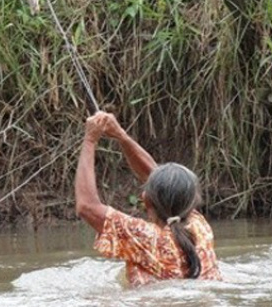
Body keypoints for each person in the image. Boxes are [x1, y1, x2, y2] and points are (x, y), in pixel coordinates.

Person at [75, 111, 222, 286]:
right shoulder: (199, 227)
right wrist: (121, 135)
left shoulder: (145, 238)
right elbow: (160, 181)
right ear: (191, 201)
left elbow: (86, 206)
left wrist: (90, 139)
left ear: (146, 200)